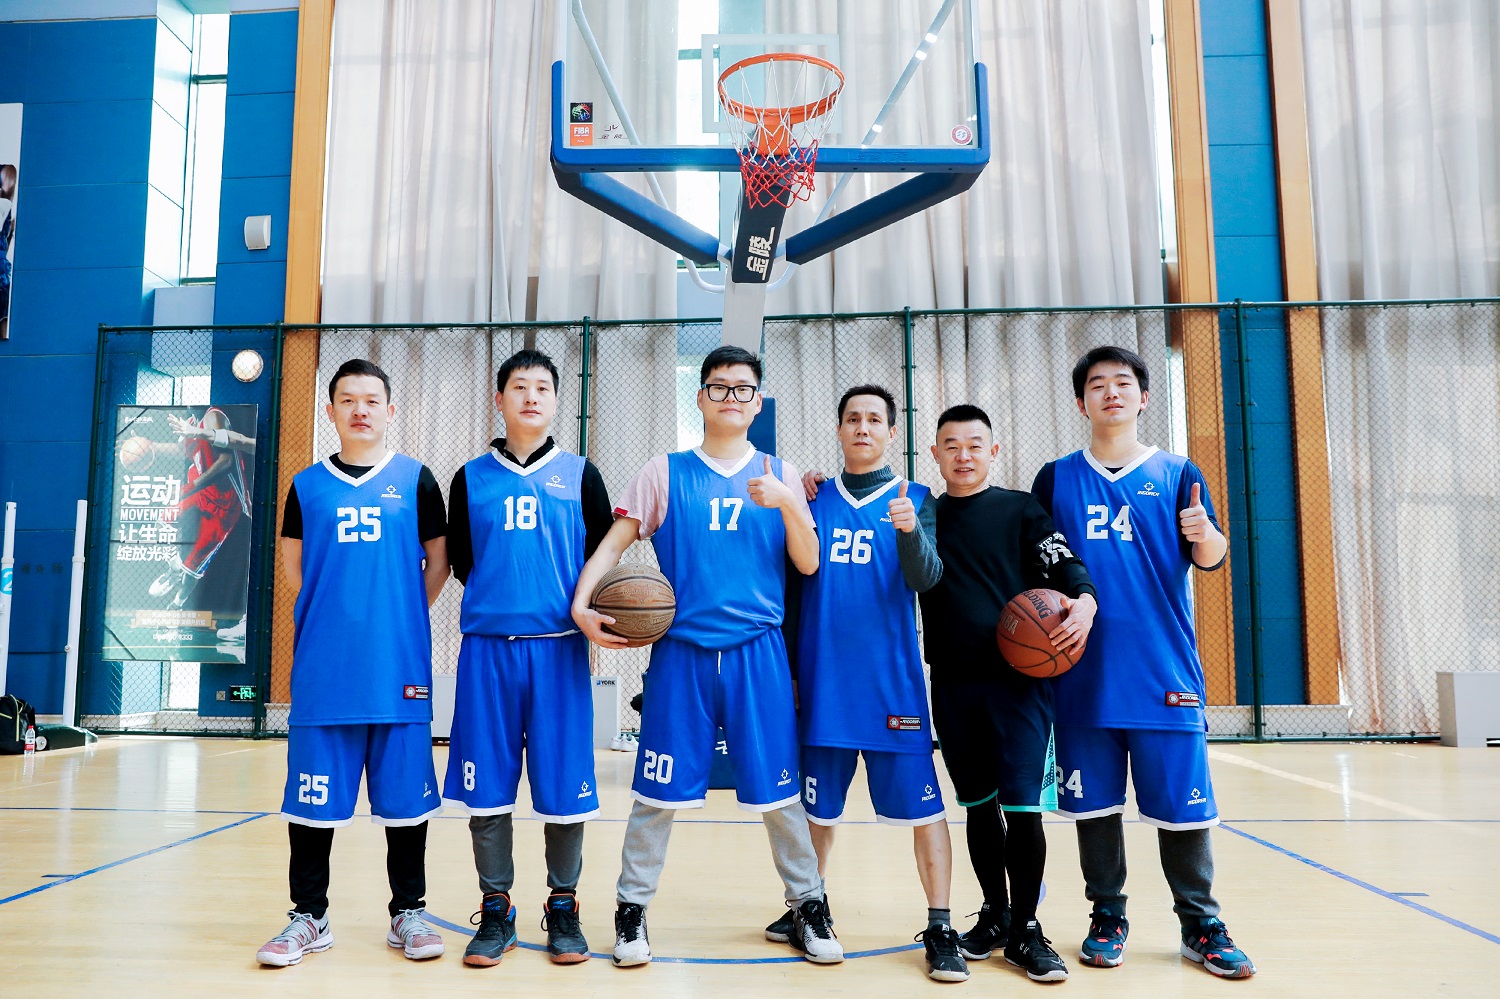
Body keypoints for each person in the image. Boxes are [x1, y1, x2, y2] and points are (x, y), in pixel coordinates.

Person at [571, 345, 842, 968]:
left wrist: (789, 502)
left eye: (742, 388)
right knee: (656, 794)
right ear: (699, 397)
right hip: (682, 654)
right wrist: (582, 603)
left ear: (757, 401)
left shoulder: (780, 472)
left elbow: (809, 563)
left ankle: (808, 904)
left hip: (758, 654)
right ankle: (632, 909)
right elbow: (614, 545)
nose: (730, 397)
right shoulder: (663, 472)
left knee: (780, 796)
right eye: (718, 387)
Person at [1031, 345, 1255, 978]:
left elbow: (1210, 557)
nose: (1111, 392)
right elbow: (1036, 561)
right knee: (1095, 807)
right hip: (1082, 674)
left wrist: (1206, 535)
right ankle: (1108, 914)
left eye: (1123, 383)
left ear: (1144, 397)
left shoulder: (1178, 472)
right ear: (1081, 402)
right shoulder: (1055, 478)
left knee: (1184, 808)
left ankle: (1200, 924)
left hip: (1164, 672)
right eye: (1098, 384)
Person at [256, 359, 451, 968]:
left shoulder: (417, 480)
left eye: (371, 400)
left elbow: (439, 562)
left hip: (398, 667)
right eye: (347, 400)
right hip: (326, 669)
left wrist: (398, 610)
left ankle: (408, 912)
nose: (360, 410)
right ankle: (308, 917)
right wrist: (339, 610)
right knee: (311, 804)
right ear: (331, 411)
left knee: (407, 803)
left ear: (390, 411)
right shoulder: (306, 486)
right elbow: (295, 567)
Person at [772, 384, 967, 982]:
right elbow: (792, 591)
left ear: (891, 432)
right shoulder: (812, 498)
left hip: (892, 688)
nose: (862, 427)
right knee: (817, 811)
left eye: (874, 419)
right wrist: (792, 675)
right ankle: (808, 906)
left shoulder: (916, 498)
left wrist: (909, 531)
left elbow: (927, 579)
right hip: (825, 683)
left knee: (924, 810)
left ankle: (940, 925)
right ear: (839, 429)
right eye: (852, 418)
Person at [442, 349, 614, 966]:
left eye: (543, 387)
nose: (531, 397)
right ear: (500, 399)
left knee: (566, 786)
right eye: (520, 387)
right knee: (487, 787)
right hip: (488, 653)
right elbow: (464, 561)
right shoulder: (469, 478)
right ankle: (497, 908)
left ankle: (563, 905)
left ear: (556, 400)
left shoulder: (582, 475)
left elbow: (600, 558)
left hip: (559, 652)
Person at [919, 404, 1097, 984]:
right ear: (935, 454)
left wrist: (1085, 601)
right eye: (951, 445)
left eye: (975, 444)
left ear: (993, 452)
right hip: (953, 681)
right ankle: (995, 914)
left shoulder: (1021, 509)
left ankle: (1026, 928)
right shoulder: (926, 516)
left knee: (1022, 808)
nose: (963, 455)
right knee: (977, 805)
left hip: (1020, 685)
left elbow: (1065, 564)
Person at [146, 408, 253, 613]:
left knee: (194, 565)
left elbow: (226, 461)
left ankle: (177, 604)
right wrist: (150, 446)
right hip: (202, 491)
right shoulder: (192, 421)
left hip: (224, 503)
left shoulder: (214, 417)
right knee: (164, 519)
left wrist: (193, 485)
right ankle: (174, 568)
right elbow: (181, 449)